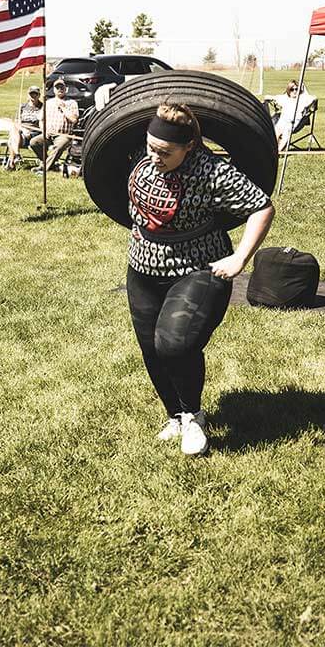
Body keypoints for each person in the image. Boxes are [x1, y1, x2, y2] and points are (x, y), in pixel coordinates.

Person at [127, 102, 275, 455]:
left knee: (174, 344)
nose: (154, 156)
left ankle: (194, 416)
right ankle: (174, 416)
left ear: (188, 146)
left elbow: (261, 206)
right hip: (143, 266)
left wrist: (240, 257)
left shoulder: (211, 172)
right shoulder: (142, 158)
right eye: (151, 147)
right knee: (151, 346)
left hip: (198, 267)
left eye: (164, 152)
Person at [30, 79, 78, 172]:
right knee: (34, 142)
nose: (59, 89)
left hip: (64, 135)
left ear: (66, 89)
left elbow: (74, 119)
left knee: (59, 146)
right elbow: (41, 120)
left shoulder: (72, 103)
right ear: (54, 90)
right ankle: (50, 164)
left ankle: (44, 169)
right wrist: (44, 131)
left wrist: (63, 108)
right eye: (57, 87)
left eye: (61, 87)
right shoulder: (48, 103)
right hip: (48, 134)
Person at [265, 80, 315, 151]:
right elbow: (268, 97)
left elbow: (314, 98)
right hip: (282, 122)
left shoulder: (303, 99)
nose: (294, 91)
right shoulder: (284, 98)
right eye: (292, 89)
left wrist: (303, 90)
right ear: (288, 90)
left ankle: (278, 152)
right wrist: (269, 98)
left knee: (286, 132)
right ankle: (271, 150)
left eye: (296, 89)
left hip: (293, 124)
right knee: (276, 131)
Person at [5, 85, 42, 170]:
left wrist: (28, 131)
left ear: (39, 95)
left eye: (35, 94)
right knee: (14, 130)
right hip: (22, 132)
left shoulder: (42, 107)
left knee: (11, 140)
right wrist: (23, 130)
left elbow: (42, 123)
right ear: (28, 95)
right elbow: (17, 122)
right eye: (31, 94)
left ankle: (12, 162)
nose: (33, 96)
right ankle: (17, 155)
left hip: (34, 133)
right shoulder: (22, 107)